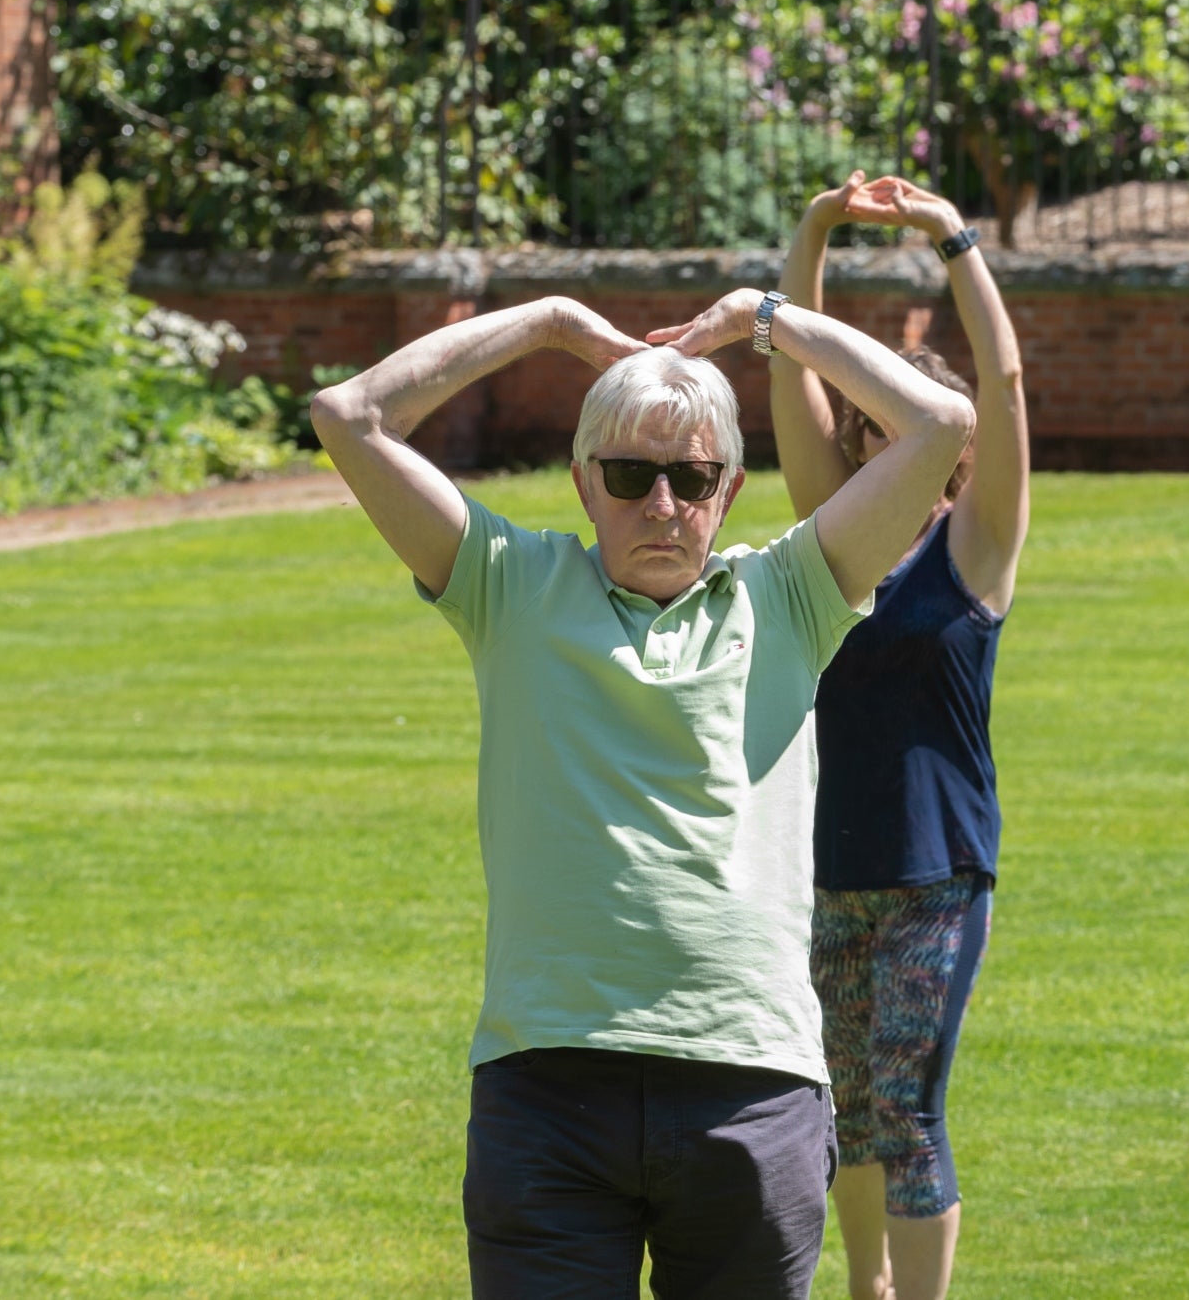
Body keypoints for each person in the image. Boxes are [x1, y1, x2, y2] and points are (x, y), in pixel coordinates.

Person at [309, 284, 974, 1299]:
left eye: (690, 476)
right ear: (583, 484)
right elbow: (348, 414)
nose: (662, 505)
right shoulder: (509, 583)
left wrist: (766, 319)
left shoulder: (791, 592)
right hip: (549, 1085)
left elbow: (942, 425)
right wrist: (549, 324)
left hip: (752, 1085)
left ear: (730, 487)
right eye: (629, 474)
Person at [774, 174, 1031, 1300]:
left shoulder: (973, 546)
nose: (884, 452)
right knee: (844, 1099)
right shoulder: (834, 546)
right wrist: (813, 231)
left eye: (905, 435)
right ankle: (865, 1284)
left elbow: (1009, 379)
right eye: (870, 433)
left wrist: (952, 240)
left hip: (939, 873)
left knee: (910, 1104)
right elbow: (791, 379)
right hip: (830, 869)